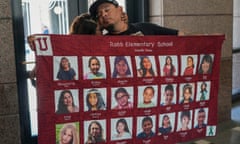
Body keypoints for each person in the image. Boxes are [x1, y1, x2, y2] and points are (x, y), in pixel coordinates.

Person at [89, 0, 184, 36]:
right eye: (99, 15)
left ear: (120, 9)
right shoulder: (103, 42)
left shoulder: (146, 28)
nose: (103, 15)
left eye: (107, 10)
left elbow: (179, 35)